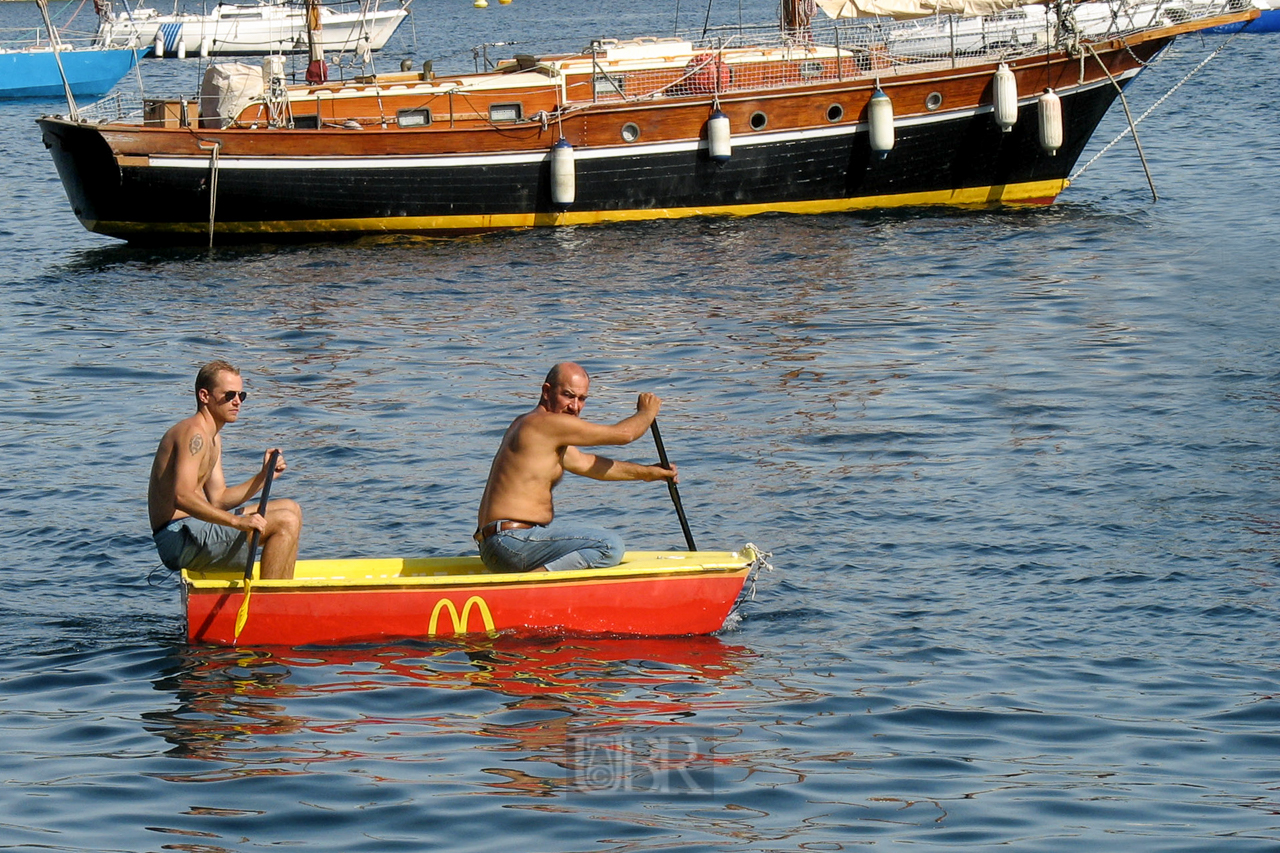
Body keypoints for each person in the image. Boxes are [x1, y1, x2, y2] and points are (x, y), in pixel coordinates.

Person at [475, 362, 678, 573]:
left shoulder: (537, 429)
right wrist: (647, 412)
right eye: (568, 395)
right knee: (609, 545)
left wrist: (649, 473)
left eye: (582, 399)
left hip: (499, 546)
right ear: (546, 391)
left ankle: (535, 582)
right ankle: (530, 588)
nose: (575, 406)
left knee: (600, 542)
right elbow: (623, 435)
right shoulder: (545, 423)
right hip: (512, 543)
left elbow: (590, 465)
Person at [148, 360, 303, 579]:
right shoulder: (194, 434)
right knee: (286, 522)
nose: (237, 402)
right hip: (179, 538)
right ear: (204, 396)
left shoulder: (213, 437)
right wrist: (237, 522)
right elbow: (182, 497)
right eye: (229, 395)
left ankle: (282, 593)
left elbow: (219, 499)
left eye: (242, 395)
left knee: (291, 508)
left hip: (194, 530)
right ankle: (270, 605)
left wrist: (263, 476)